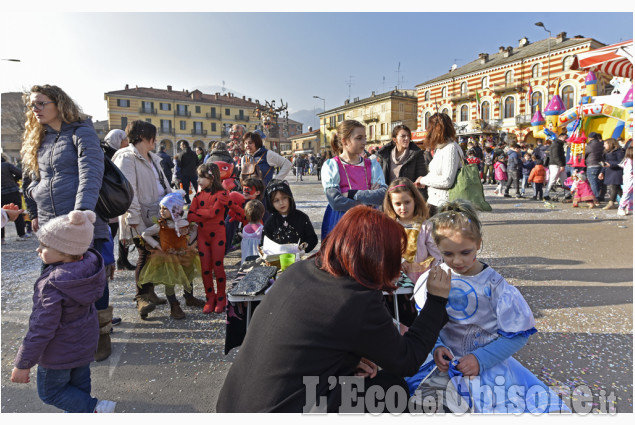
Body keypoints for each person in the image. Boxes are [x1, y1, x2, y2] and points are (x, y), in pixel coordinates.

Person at [216, 205, 451, 413]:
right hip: (283, 411)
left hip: (234, 405)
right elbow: (407, 360)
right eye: (394, 256)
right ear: (379, 257)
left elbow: (309, 341)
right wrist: (436, 301)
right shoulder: (354, 299)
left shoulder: (301, 271)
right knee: (392, 389)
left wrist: (343, 362)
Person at [409, 200, 568, 413]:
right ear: (438, 249)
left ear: (479, 244)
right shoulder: (434, 278)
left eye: (465, 252)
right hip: (440, 367)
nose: (457, 261)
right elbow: (426, 320)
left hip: (487, 369)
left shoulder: (495, 287)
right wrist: (436, 346)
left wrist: (480, 359)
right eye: (448, 254)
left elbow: (518, 335)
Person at [10, 210, 116, 413]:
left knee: (50, 392)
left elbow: (42, 326)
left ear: (67, 252)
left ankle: (95, 409)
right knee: (79, 386)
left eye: (44, 246)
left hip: (58, 353)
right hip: (84, 345)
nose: (38, 250)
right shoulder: (90, 267)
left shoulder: (54, 284)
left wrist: (23, 363)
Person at [112, 120, 172, 319]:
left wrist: (174, 202)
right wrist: (133, 217)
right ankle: (141, 297)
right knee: (144, 255)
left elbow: (163, 183)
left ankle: (150, 293)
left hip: (156, 214)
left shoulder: (152, 158)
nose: (155, 141)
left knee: (153, 254)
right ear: (145, 136)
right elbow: (129, 190)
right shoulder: (127, 157)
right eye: (153, 136)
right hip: (139, 216)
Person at [187, 163, 246, 314]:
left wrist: (251, 218)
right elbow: (190, 216)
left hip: (218, 235)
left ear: (212, 178)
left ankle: (221, 297)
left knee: (218, 266)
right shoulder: (198, 196)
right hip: (203, 236)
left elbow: (236, 209)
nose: (198, 180)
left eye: (202, 177)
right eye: (198, 177)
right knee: (205, 268)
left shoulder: (222, 194)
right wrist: (207, 212)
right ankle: (210, 298)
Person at [139, 192, 206, 319]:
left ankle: (189, 297)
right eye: (161, 208)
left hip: (184, 255)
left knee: (188, 276)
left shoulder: (184, 223)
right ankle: (174, 305)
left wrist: (189, 242)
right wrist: (157, 246)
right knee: (170, 282)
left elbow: (195, 229)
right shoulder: (160, 225)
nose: (161, 211)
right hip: (168, 258)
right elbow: (145, 234)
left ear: (175, 210)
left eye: (165, 208)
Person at [320, 120, 386, 240]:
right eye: (359, 138)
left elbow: (382, 195)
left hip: (369, 222)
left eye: (365, 138)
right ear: (344, 140)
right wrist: (369, 199)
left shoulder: (371, 165)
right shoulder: (332, 166)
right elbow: (336, 201)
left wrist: (351, 194)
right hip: (341, 221)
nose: (364, 142)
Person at [383, 178, 442, 285]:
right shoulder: (389, 227)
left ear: (415, 200)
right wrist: (399, 261)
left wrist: (435, 275)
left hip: (423, 280)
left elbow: (436, 253)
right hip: (397, 281)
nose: (403, 207)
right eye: (398, 204)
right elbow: (385, 252)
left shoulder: (426, 226)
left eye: (407, 202)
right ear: (391, 204)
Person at [416, 113, 464, 216]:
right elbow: (437, 173)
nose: (427, 130)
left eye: (429, 127)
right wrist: (424, 179)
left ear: (436, 129)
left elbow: (447, 181)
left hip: (445, 206)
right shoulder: (441, 148)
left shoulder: (450, 148)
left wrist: (423, 180)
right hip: (436, 202)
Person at [262, 179, 318, 254]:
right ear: (271, 203)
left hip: (299, 261)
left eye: (284, 198)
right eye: (276, 200)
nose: (281, 203)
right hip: (278, 262)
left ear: (289, 198)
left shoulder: (302, 218)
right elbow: (265, 244)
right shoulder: (270, 222)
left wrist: (305, 246)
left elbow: (312, 239)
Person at [377, 124, 428, 199]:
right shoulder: (385, 156)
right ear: (394, 139)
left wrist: (421, 203)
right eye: (403, 136)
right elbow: (380, 180)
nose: (407, 138)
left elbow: (421, 183)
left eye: (408, 136)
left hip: (408, 199)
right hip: (388, 198)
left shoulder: (417, 155)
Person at [1, 155, 27, 242]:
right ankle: (22, 234)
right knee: (17, 212)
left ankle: (1, 238)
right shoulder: (7, 165)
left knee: (1, 214)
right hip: (12, 191)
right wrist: (14, 179)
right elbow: (20, 173)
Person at [600, 138, 625, 210]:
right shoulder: (607, 152)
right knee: (618, 188)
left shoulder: (619, 151)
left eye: (605, 144)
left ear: (611, 144)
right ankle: (627, 202)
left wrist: (611, 164)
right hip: (609, 171)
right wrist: (602, 172)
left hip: (617, 171)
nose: (604, 145)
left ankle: (611, 202)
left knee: (614, 186)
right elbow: (606, 162)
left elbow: (621, 162)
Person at [544, 132, 568, 201]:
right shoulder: (556, 145)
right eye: (565, 137)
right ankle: (546, 194)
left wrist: (562, 165)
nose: (566, 139)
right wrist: (561, 165)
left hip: (559, 165)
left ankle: (567, 194)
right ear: (560, 137)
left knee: (565, 180)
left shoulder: (559, 144)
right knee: (552, 179)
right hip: (555, 165)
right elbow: (556, 156)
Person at [241, 199, 265, 263]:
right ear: (262, 214)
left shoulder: (244, 229)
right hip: (258, 260)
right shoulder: (262, 229)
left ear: (246, 214)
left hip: (246, 260)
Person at [617, 146, 633, 216]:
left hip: (629, 178)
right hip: (629, 179)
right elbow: (630, 171)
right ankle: (621, 208)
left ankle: (629, 208)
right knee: (626, 193)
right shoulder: (629, 161)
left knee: (631, 195)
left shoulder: (628, 160)